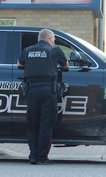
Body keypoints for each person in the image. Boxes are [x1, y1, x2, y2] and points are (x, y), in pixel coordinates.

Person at [18, 29, 69, 165]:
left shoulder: (28, 50)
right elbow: (66, 66)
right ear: (48, 39)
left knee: (32, 124)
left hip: (32, 90)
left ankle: (33, 156)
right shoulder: (54, 50)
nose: (54, 42)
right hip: (48, 91)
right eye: (53, 40)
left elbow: (20, 64)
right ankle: (42, 157)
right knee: (46, 124)